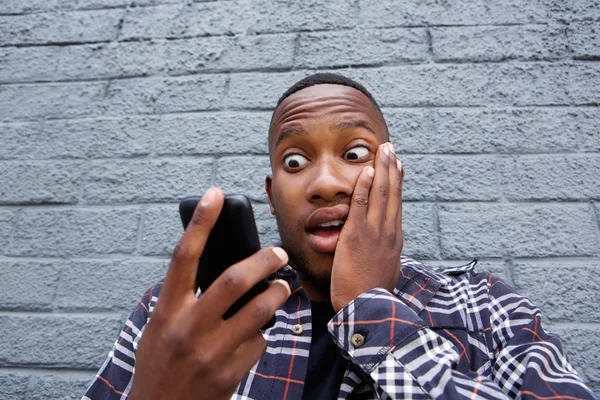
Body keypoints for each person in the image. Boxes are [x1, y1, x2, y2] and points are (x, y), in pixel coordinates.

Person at [82, 73, 598, 399]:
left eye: (354, 154)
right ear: (271, 192)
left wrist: (371, 308)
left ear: (394, 172)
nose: (326, 183)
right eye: (294, 161)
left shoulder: (488, 308)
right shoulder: (179, 314)